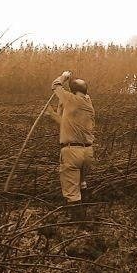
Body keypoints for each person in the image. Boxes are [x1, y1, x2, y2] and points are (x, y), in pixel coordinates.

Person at [45, 70, 95, 221]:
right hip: (87, 152)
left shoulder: (71, 99)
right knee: (81, 183)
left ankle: (78, 225)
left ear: (73, 91)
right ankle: (84, 215)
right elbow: (68, 124)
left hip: (72, 152)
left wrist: (64, 76)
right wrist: (55, 116)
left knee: (72, 192)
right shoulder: (88, 105)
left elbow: (55, 85)